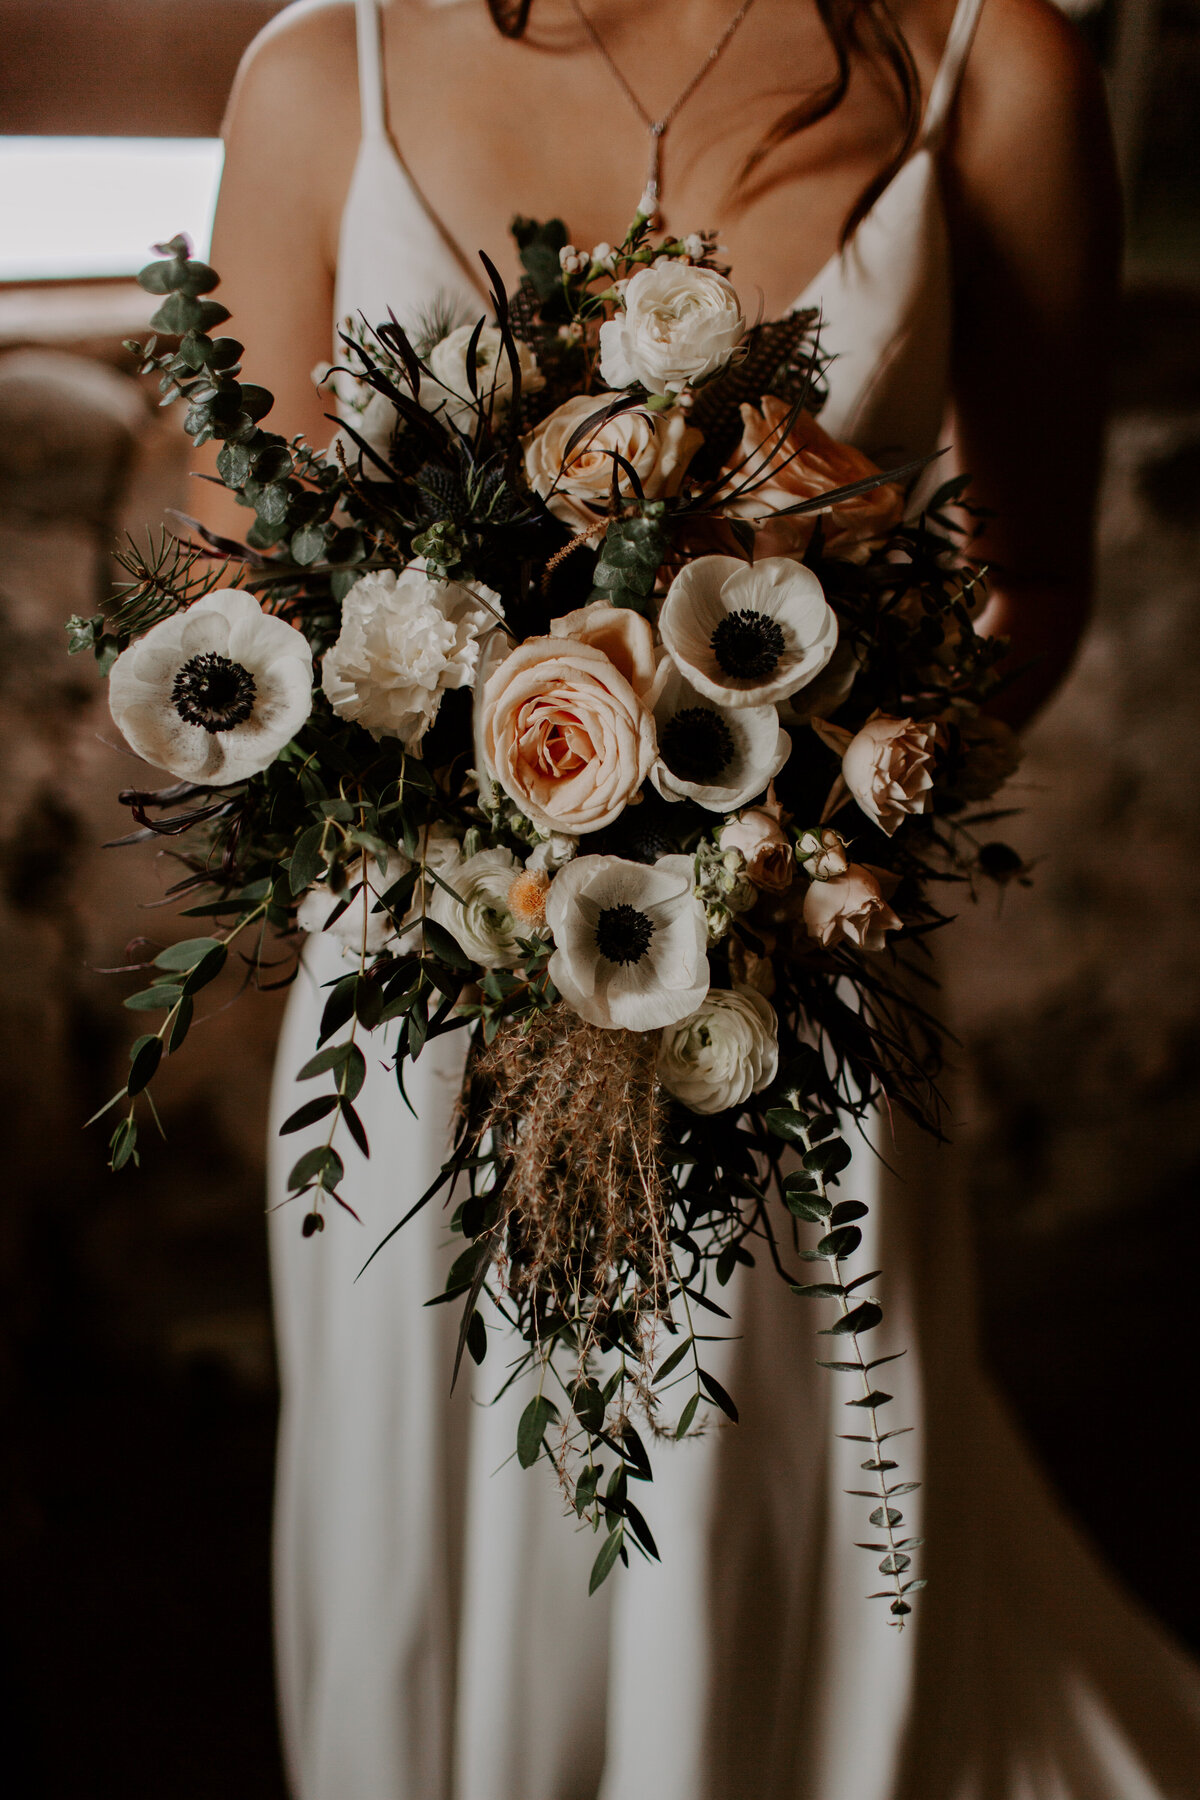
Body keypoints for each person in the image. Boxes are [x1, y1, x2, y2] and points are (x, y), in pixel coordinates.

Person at [198, 2, 1200, 1796]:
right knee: (432, 1566)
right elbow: (234, 615)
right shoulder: (315, 71)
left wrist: (799, 814)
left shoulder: (992, 64)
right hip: (425, 1025)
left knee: (774, 1561)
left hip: (786, 1017)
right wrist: (481, 815)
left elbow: (1032, 581)